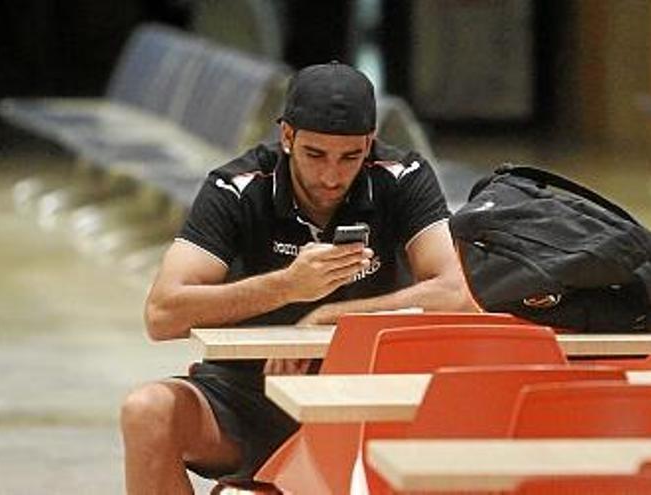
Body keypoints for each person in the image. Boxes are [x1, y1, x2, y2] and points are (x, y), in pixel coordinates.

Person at [120, 61, 478, 494]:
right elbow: (162, 314)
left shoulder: (402, 177)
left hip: (365, 392)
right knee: (147, 412)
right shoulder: (236, 187)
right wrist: (286, 286)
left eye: (350, 157)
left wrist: (332, 316)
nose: (331, 176)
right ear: (286, 136)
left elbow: (456, 291)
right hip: (252, 395)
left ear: (370, 143)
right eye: (315, 155)